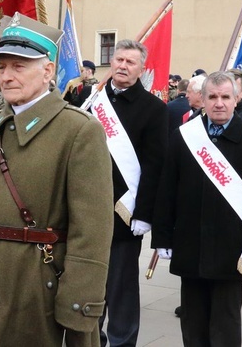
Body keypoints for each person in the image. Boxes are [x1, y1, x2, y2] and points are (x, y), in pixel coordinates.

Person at [0, 13, 113, 346]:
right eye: (2, 67)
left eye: (18, 67)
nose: (6, 76)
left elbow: (91, 230)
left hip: (35, 283)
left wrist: (79, 305)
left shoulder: (78, 131)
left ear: (47, 72)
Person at [153, 71, 242, 346]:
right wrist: (162, 236)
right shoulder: (184, 137)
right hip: (191, 244)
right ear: (202, 99)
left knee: (225, 323)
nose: (218, 103)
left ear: (236, 99)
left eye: (225, 97)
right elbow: (167, 190)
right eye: (212, 96)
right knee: (193, 323)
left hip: (231, 248)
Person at [92, 39, 168, 347]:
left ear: (141, 69)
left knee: (121, 288)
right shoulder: (91, 99)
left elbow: (155, 166)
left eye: (130, 62)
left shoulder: (154, 109)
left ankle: (122, 342)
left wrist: (145, 213)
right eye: (119, 59)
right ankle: (89, 339)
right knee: (88, 283)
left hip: (125, 213)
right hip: (86, 207)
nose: (123, 66)